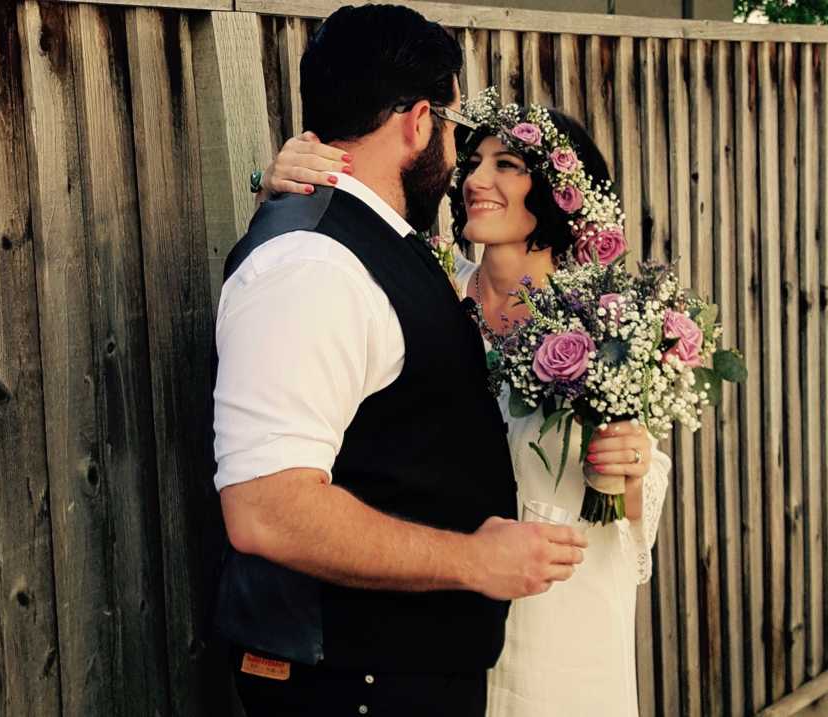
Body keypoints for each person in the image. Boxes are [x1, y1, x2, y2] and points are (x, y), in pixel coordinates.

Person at [212, 7, 588, 717]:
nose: (454, 154)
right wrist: (473, 559)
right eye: (449, 126)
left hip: (398, 677)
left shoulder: (372, 243)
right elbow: (267, 510)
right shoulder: (309, 263)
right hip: (354, 685)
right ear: (417, 121)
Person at [264, 101, 672, 716]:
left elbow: (635, 500)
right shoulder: (426, 288)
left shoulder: (609, 318)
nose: (476, 180)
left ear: (562, 189)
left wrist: (634, 467)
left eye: (507, 165)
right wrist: (280, 182)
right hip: (445, 605)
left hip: (565, 610)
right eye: (474, 162)